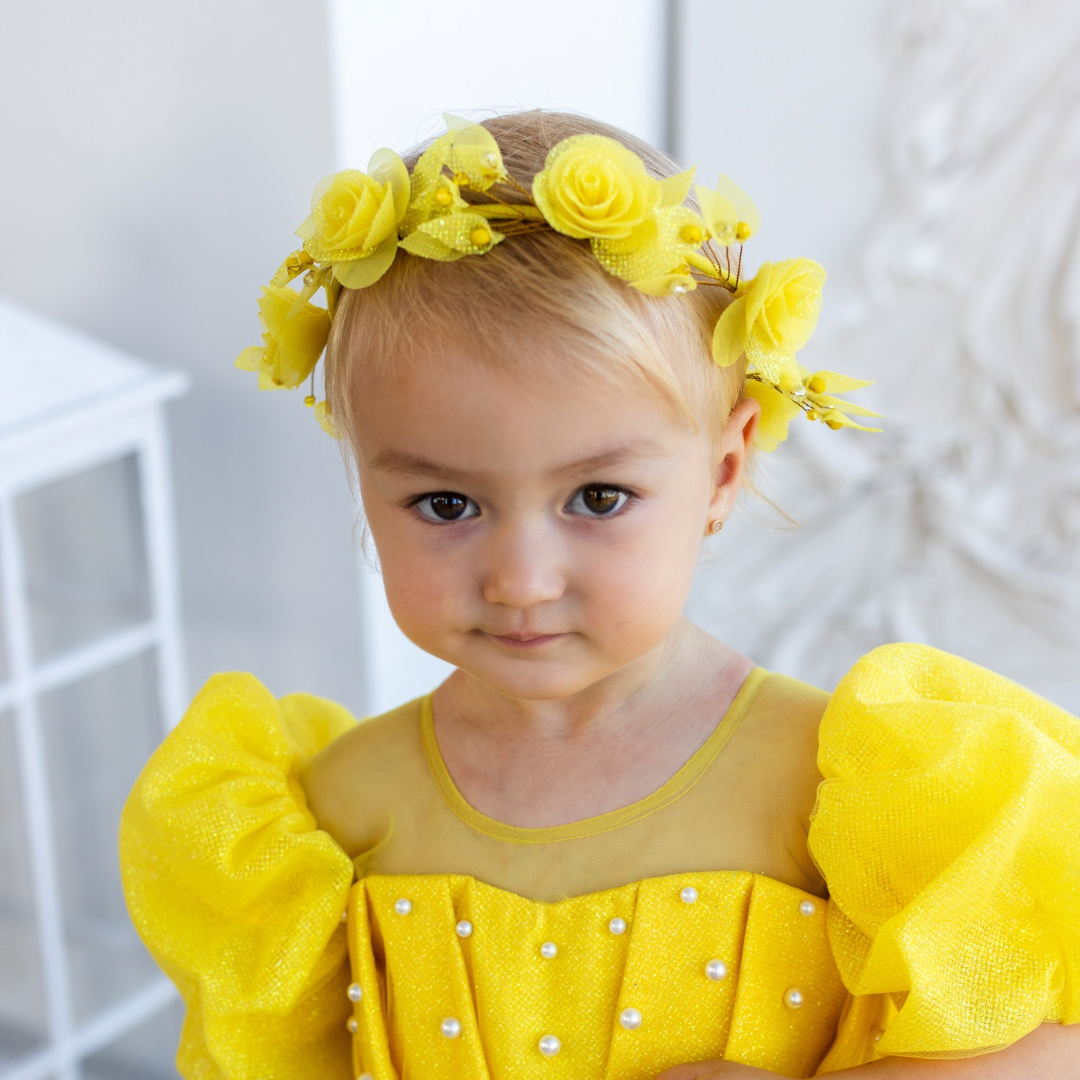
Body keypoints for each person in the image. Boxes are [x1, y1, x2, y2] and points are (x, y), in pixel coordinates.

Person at [118, 110, 1080, 1080]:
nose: (521, 580)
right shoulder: (330, 818)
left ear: (724, 470)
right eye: (446, 503)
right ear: (364, 480)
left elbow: (1052, 1050)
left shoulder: (848, 790)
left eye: (598, 497)